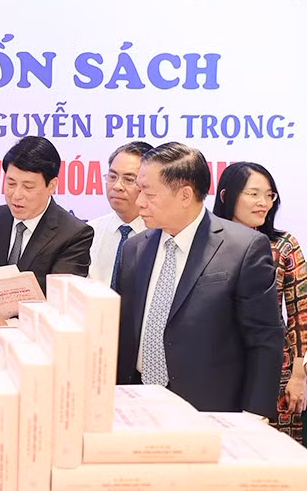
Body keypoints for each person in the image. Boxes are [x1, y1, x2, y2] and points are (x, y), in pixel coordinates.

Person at [115, 143, 283, 419]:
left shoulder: (243, 249)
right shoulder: (135, 247)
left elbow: (265, 339)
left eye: (148, 192)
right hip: (136, 402)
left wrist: (254, 416)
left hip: (209, 410)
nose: (139, 201)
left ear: (184, 195)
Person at [0, 137, 94, 351]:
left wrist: (3, 326)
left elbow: (61, 305)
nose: (16, 195)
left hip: (38, 353)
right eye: (10, 183)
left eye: (28, 186)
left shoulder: (74, 233)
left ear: (52, 185)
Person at [213, 162, 307, 440]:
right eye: (253, 194)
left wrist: (298, 374)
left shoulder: (283, 245)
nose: (263, 202)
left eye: (269, 195)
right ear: (226, 196)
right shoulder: (206, 244)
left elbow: (300, 311)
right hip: (216, 368)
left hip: (274, 372)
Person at [88, 142, 153, 289]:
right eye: (112, 176)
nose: (117, 186)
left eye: (129, 179)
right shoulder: (90, 232)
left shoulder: (161, 235)